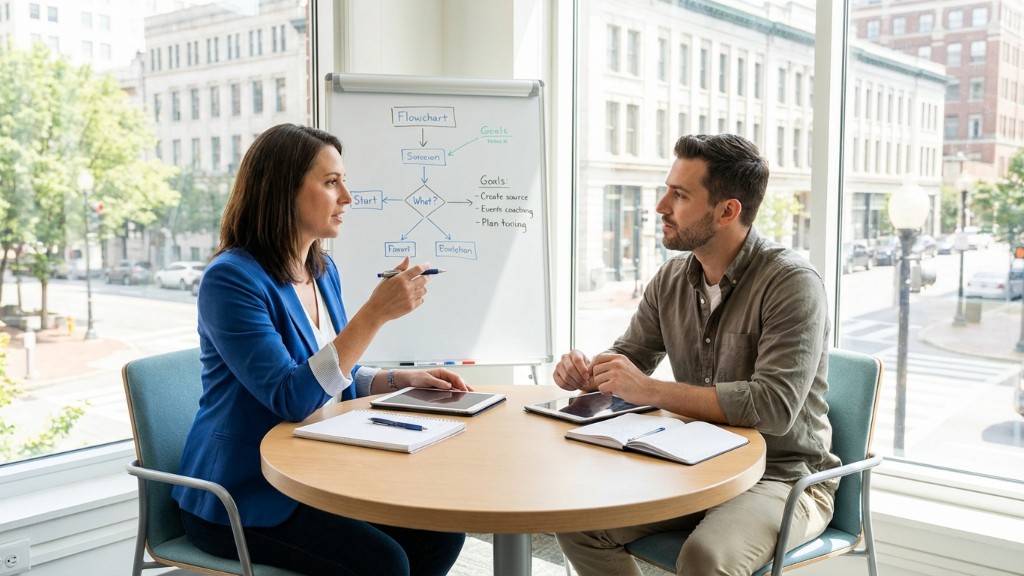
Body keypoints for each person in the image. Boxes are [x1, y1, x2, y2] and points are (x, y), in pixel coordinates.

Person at [173, 123, 467, 576]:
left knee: (441, 533)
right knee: (384, 563)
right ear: (282, 191)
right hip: (243, 493)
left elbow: (328, 375)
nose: (347, 197)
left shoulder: (322, 270)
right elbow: (293, 396)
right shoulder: (230, 280)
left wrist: (397, 380)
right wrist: (373, 316)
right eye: (332, 182)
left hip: (316, 471)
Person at [553, 134, 838, 576]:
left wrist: (648, 389)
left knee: (705, 558)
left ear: (728, 211)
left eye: (680, 194)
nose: (661, 205)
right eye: (667, 189)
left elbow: (773, 407)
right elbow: (631, 356)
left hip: (782, 476)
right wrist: (589, 372)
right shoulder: (670, 279)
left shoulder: (792, 283)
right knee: (581, 522)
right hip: (697, 462)